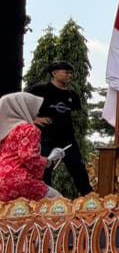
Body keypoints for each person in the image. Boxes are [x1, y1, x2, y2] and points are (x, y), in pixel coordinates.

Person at [26, 61, 92, 196]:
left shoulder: (72, 95)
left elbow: (76, 115)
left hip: (67, 138)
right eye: (66, 72)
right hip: (45, 137)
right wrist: (34, 120)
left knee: (78, 167)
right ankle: (43, 200)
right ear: (54, 73)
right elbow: (19, 106)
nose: (69, 75)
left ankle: (89, 198)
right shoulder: (39, 90)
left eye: (71, 73)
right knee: (44, 169)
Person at [0, 92, 64, 201]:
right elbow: (29, 157)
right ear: (24, 109)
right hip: (19, 181)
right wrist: (48, 160)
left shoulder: (4, 133)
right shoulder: (28, 129)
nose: (37, 112)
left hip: (1, 183)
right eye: (33, 109)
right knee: (59, 202)